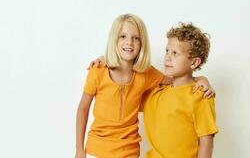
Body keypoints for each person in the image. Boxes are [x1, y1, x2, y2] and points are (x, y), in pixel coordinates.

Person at [75, 14, 215, 158]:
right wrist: (79, 149)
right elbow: (84, 108)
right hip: (97, 149)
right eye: (122, 36)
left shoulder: (149, 75)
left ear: (142, 43)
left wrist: (200, 79)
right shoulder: (99, 70)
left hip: (129, 152)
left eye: (136, 38)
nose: (129, 42)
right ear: (114, 39)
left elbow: (179, 82)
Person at [141, 23, 218, 158]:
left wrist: (202, 80)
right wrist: (106, 61)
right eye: (167, 51)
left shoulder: (200, 95)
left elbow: (206, 140)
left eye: (175, 53)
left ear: (194, 63)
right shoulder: (155, 93)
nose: (167, 57)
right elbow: (127, 80)